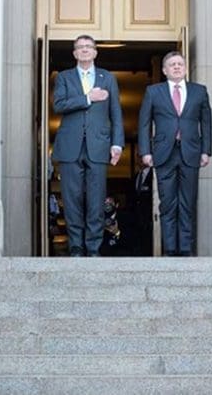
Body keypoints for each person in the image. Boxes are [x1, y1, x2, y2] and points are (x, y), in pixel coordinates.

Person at [52, 34, 124, 257]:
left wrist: (118, 144)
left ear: (95, 52)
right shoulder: (64, 77)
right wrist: (87, 98)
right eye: (79, 47)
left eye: (88, 47)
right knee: (72, 199)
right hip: (70, 146)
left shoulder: (107, 77)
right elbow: (59, 105)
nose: (84, 50)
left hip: (99, 145)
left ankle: (93, 247)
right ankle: (76, 247)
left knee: (95, 199)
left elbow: (116, 113)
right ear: (74, 53)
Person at [138, 51, 212, 256]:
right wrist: (145, 151)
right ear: (164, 70)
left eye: (180, 64)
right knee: (168, 202)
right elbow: (144, 123)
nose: (177, 67)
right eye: (172, 65)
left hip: (191, 152)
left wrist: (206, 151)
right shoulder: (154, 91)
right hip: (164, 154)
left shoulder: (199, 91)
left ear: (186, 68)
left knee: (188, 202)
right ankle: (170, 248)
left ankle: (186, 248)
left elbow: (206, 123)